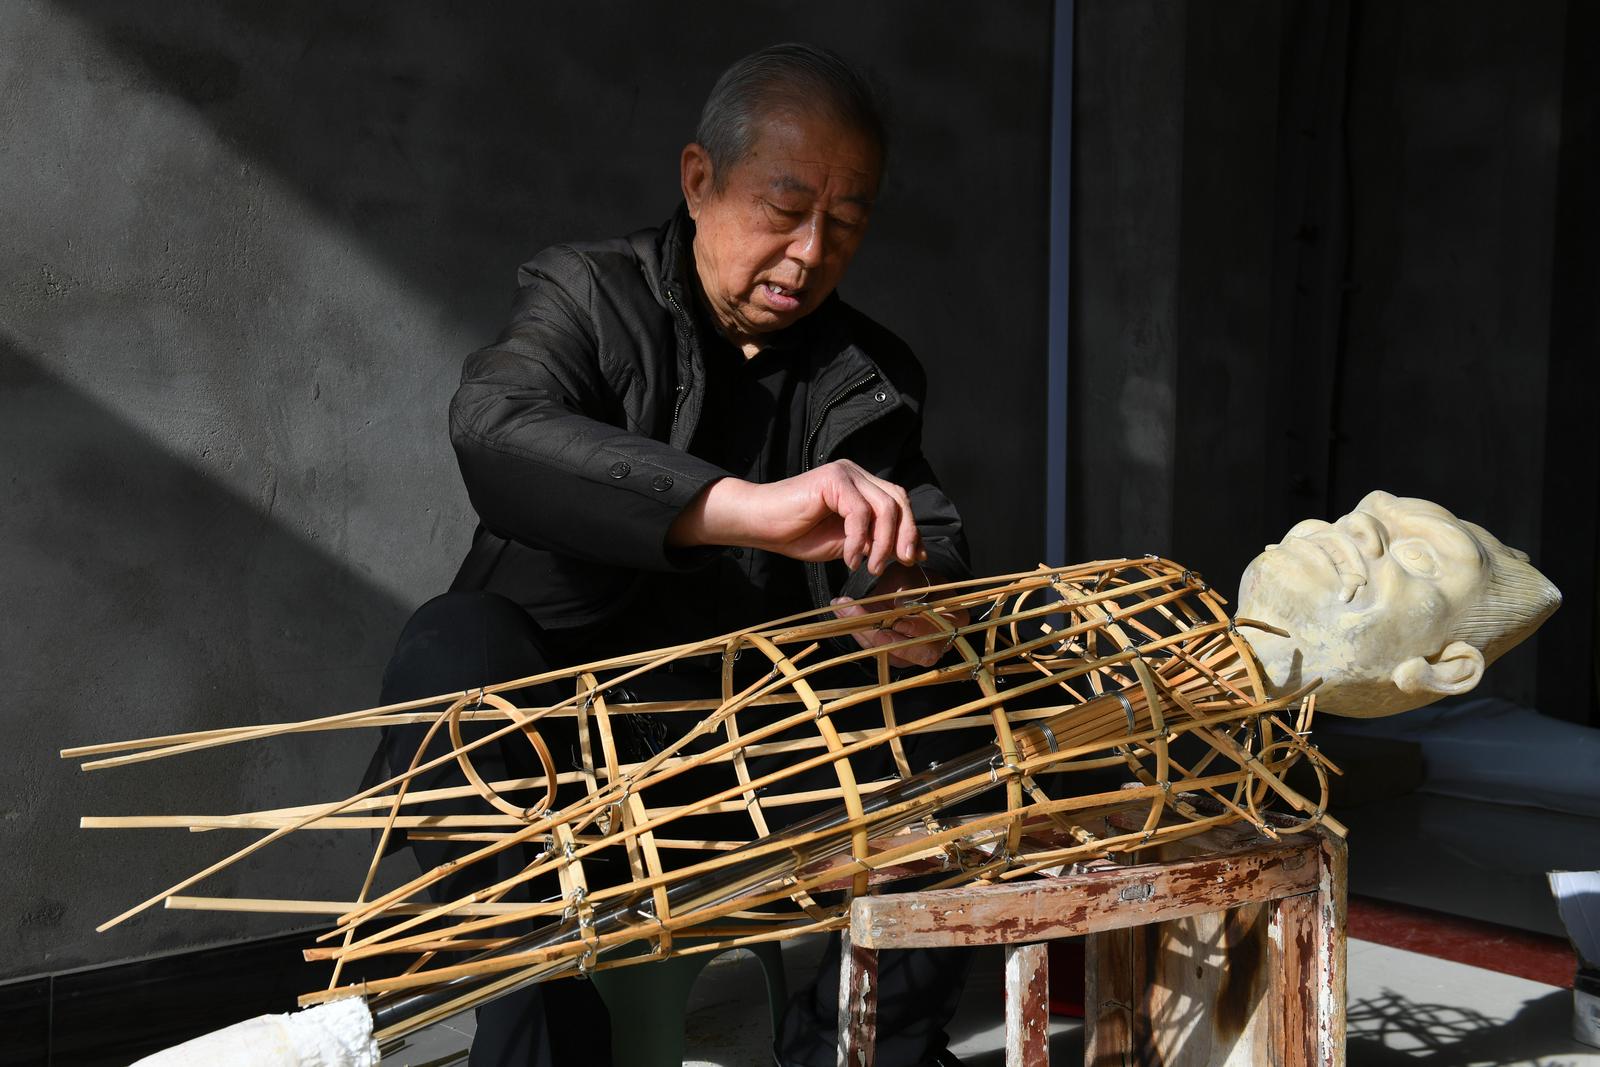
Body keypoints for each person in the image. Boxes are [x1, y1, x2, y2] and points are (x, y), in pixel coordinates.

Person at [375, 43, 972, 1067]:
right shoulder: (585, 292)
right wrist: (742, 508)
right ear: (699, 180)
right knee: (451, 647)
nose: (809, 252)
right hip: (566, 751)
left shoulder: (868, 372)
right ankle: (545, 1050)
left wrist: (914, 599)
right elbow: (493, 426)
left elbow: (930, 534)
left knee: (970, 722)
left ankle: (856, 1049)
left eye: (845, 222)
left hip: (752, 756)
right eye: (785, 208)